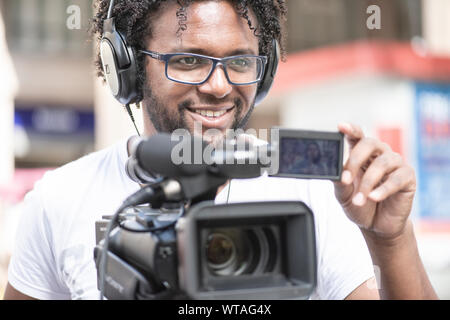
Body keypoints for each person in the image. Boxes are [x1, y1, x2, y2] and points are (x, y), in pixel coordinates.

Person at [4, 0, 437, 300]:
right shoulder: (58, 200)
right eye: (189, 60)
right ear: (129, 67)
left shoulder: (312, 197)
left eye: (240, 62)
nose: (218, 86)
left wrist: (391, 239)